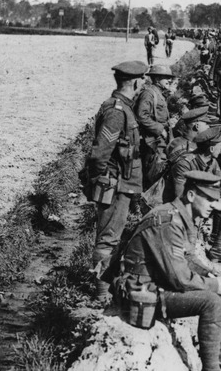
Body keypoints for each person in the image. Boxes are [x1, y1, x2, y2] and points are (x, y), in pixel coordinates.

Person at [115, 170, 221, 371]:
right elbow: (179, 279)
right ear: (191, 196)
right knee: (211, 301)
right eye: (209, 200)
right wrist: (214, 284)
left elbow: (185, 257)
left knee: (214, 290)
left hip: (152, 284)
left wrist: (211, 275)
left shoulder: (178, 214)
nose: (214, 206)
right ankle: (211, 367)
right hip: (141, 293)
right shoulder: (168, 222)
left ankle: (217, 351)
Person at [85, 60, 147, 300]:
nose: (143, 84)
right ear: (135, 81)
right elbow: (100, 152)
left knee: (113, 235)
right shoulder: (116, 112)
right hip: (114, 183)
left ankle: (107, 284)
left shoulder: (123, 108)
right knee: (108, 238)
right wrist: (101, 181)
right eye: (142, 81)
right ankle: (101, 293)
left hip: (121, 182)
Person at [166, 127, 221, 264]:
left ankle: (217, 247)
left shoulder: (211, 162)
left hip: (198, 203)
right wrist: (213, 204)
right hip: (180, 209)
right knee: (190, 250)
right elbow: (179, 196)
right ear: (211, 149)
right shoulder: (185, 163)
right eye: (220, 145)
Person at [135, 65, 173, 198]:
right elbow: (141, 116)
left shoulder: (158, 94)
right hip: (151, 141)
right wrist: (160, 129)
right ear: (157, 79)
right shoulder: (149, 94)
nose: (170, 81)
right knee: (152, 172)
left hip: (158, 140)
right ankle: (144, 202)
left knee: (157, 170)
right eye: (166, 78)